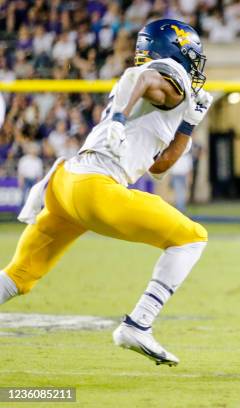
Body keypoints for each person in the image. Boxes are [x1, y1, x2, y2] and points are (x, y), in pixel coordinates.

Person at [0, 19, 212, 367]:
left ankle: (138, 326)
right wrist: (117, 119)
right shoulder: (164, 72)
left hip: (64, 186)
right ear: (177, 52)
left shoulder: (166, 95)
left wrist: (189, 123)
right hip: (94, 188)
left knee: (18, 276)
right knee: (192, 238)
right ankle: (138, 324)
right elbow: (138, 77)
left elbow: (160, 167)